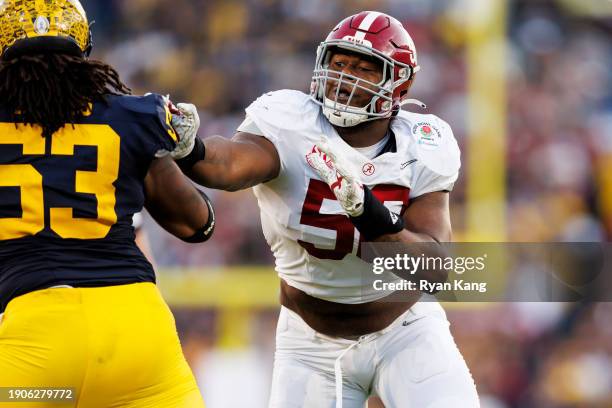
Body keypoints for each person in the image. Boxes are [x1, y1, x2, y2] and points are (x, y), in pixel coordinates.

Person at [171, 10, 478, 408]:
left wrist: (373, 218)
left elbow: (433, 266)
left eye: (365, 69)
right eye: (339, 62)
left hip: (405, 330)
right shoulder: (290, 120)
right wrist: (190, 147)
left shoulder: (423, 142)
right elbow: (228, 164)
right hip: (310, 343)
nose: (344, 76)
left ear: (398, 83)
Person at [0, 1, 214, 407]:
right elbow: (197, 223)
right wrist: (179, 152)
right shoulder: (131, 116)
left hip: (36, 340)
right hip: (138, 331)